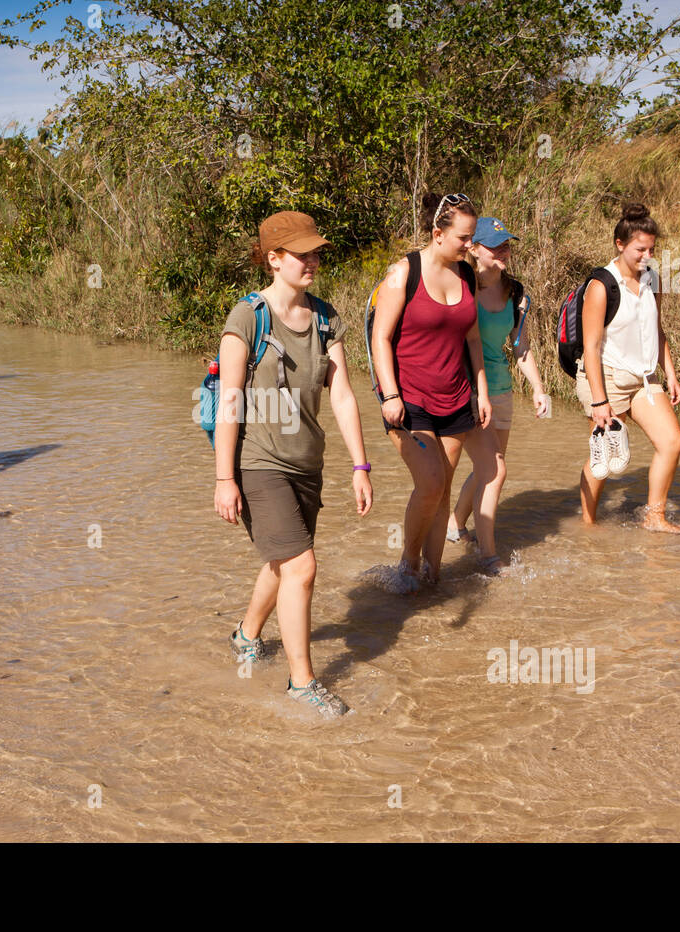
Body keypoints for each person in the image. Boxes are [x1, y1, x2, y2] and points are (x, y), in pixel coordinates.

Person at [213, 211, 373, 719]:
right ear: (273, 258)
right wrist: (223, 478)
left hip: (309, 462)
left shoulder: (327, 319)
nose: (312, 261)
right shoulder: (247, 320)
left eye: (316, 252)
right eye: (301, 254)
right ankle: (301, 682)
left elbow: (343, 395)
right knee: (302, 566)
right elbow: (229, 403)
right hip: (259, 464)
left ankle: (246, 635)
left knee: (282, 563)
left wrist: (360, 466)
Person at [369, 192, 502, 582]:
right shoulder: (403, 273)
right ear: (437, 233)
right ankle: (408, 566)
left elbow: (473, 339)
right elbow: (381, 338)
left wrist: (481, 391)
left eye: (472, 237)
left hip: (457, 398)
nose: (470, 246)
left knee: (443, 491)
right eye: (463, 238)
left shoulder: (465, 275)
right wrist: (390, 395)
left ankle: (432, 576)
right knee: (430, 481)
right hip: (411, 401)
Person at [577, 201, 680, 533]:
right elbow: (591, 347)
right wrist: (599, 401)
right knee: (606, 460)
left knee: (672, 443)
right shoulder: (601, 285)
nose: (647, 256)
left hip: (643, 378)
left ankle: (655, 517)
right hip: (606, 378)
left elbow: (656, 327)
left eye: (652, 249)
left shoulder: (653, 279)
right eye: (640, 249)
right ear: (620, 244)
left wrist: (670, 371)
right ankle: (588, 526)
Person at [448, 217, 551, 548]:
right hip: (468, 391)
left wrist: (538, 388)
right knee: (493, 468)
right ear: (474, 249)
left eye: (507, 243)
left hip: (502, 390)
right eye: (496, 244)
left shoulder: (516, 292)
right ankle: (486, 550)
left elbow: (520, 347)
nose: (504, 249)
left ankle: (456, 525)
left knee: (488, 470)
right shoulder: (460, 287)